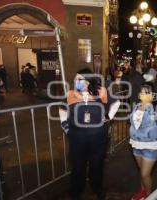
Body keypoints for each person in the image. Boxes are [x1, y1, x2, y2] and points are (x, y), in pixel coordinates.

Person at [59, 68, 117, 200]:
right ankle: (76, 190)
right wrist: (65, 127)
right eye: (75, 79)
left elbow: (116, 103)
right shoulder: (71, 94)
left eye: (78, 79)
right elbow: (62, 110)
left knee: (96, 164)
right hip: (77, 138)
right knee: (77, 165)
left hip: (98, 138)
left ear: (87, 81)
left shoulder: (101, 92)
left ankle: (97, 188)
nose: (75, 81)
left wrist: (109, 116)